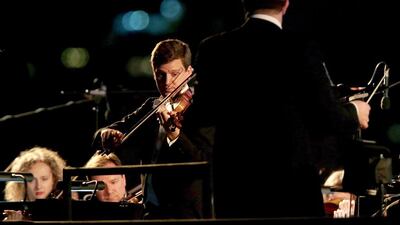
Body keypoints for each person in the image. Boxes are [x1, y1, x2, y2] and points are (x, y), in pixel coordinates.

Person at [191, 0, 371, 218]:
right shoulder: (299, 47)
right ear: (285, 4)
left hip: (235, 189)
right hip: (290, 189)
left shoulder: (213, 48)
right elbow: (327, 118)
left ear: (245, 3)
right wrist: (354, 112)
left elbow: (200, 117)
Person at [92, 39, 210, 219]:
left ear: (189, 72)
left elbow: (203, 161)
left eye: (175, 73)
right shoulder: (152, 106)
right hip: (149, 210)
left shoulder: (202, 108)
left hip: (186, 213)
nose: (167, 82)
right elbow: (107, 132)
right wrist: (105, 134)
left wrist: (174, 134)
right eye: (160, 75)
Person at [2, 146, 67, 221]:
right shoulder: (13, 210)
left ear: (54, 179)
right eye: (31, 179)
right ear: (20, 183)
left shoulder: (65, 210)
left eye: (44, 179)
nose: (38, 186)